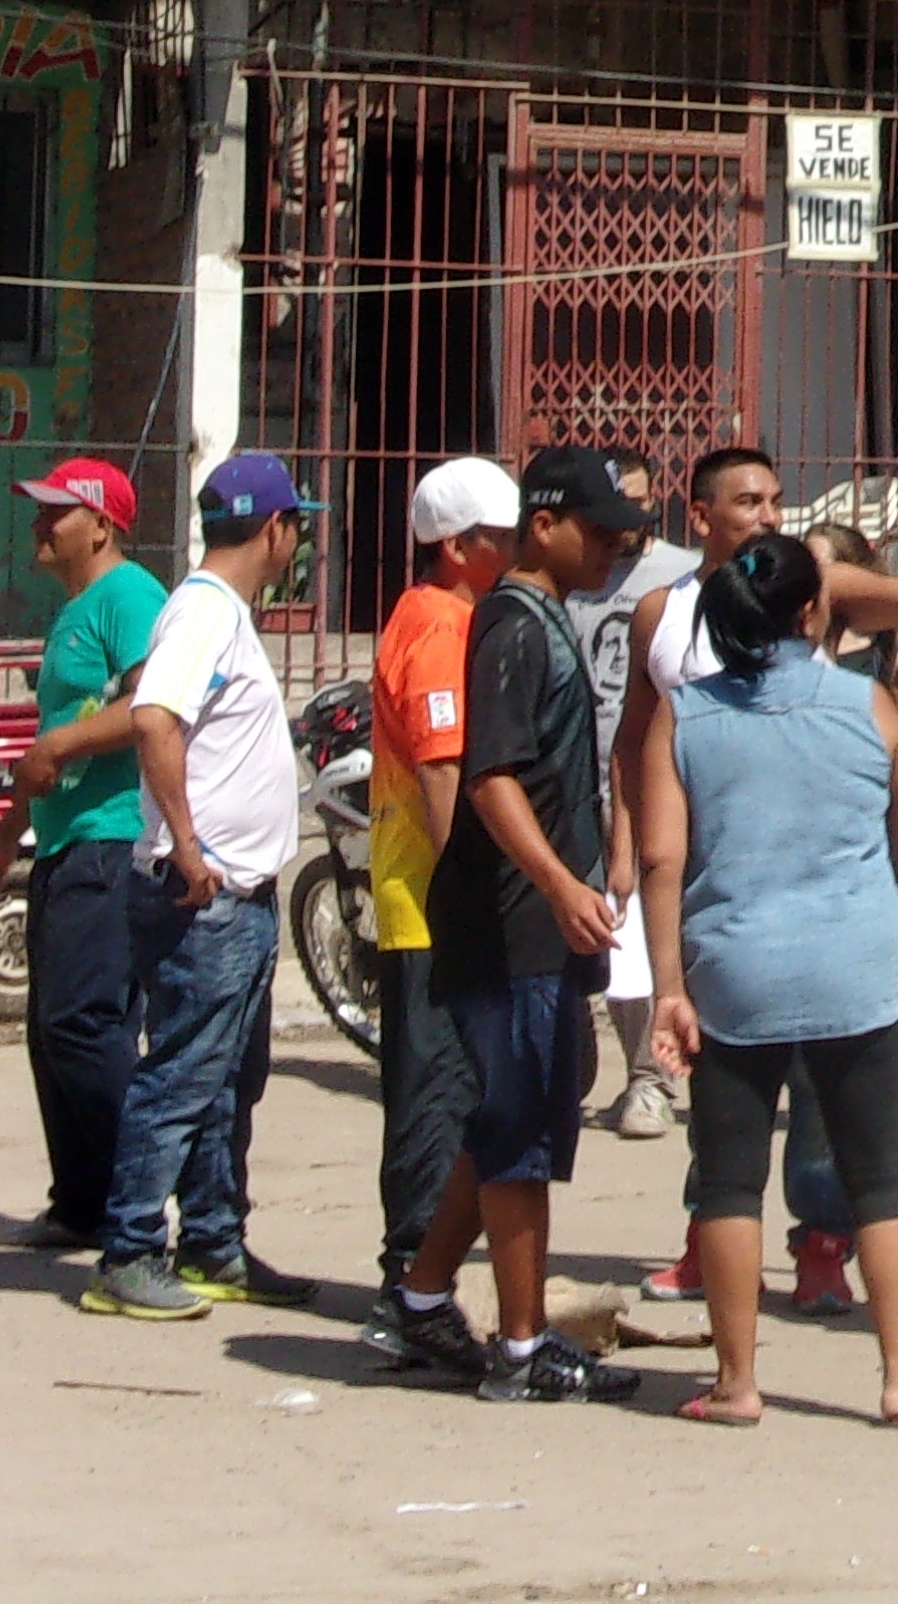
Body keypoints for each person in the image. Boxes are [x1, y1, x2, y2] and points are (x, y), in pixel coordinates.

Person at [640, 530, 898, 1428]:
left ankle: (737, 1383)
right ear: (813, 613)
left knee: (730, 1179)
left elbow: (663, 859)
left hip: (731, 968)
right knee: (878, 1177)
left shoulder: (684, 715)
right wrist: (863, 903)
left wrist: (669, 984)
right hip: (853, 965)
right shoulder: (869, 706)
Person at [618, 444, 898, 1315]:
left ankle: (809, 1264)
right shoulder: (663, 619)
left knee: (805, 1127)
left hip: (746, 923)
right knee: (781, 1140)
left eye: (775, 497)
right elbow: (634, 751)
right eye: (747, 499)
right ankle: (887, 1365)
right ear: (702, 515)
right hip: (756, 906)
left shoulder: (811, 582)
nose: (765, 513)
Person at [417, 439, 648, 1400]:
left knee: (513, 1124)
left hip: (537, 921)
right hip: (510, 921)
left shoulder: (549, 616)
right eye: (597, 533)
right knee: (520, 1136)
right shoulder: (513, 624)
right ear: (541, 525)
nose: (612, 551)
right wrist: (558, 884)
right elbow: (490, 778)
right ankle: (521, 1350)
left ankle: (424, 1297)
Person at [70, 451, 317, 1327]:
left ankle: (214, 1243)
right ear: (276, 529)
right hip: (200, 897)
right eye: (297, 526)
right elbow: (152, 720)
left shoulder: (221, 616)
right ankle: (130, 1251)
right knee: (179, 1078)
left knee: (224, 1083)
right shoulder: (203, 613)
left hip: (236, 898)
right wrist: (187, 843)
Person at [0, 459, 167, 1259]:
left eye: (56, 514)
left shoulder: (129, 596)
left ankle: (135, 1198)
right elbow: (45, 756)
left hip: (111, 839)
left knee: (83, 1025)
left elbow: (154, 705)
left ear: (100, 526)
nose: (40, 526)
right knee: (51, 1032)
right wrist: (3, 839)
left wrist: (65, 742)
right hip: (65, 839)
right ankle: (80, 1202)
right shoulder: (74, 613)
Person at [355, 456, 515, 1377]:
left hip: (418, 898)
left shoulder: (437, 618)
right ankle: (406, 1289)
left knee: (444, 1094)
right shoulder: (441, 630)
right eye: (499, 542)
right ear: (459, 548)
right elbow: (444, 770)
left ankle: (415, 1283)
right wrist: (475, 893)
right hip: (430, 906)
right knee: (436, 1100)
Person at [572, 448, 696, 1143]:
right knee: (610, 937)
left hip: (656, 780)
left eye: (639, 503)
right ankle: (626, 1069)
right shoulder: (575, 575)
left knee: (656, 930)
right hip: (578, 783)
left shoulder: (678, 575)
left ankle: (656, 1075)